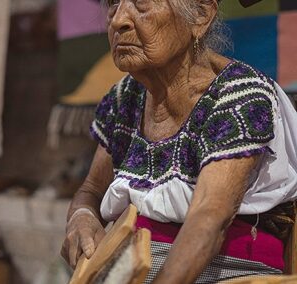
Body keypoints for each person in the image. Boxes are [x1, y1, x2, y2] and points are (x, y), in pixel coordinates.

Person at [61, 0, 297, 283]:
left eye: (142, 3)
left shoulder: (239, 98)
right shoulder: (125, 98)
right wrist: (82, 216)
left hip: (225, 273)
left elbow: (210, 218)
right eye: (113, 3)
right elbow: (90, 190)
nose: (118, 20)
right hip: (131, 268)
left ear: (200, 15)